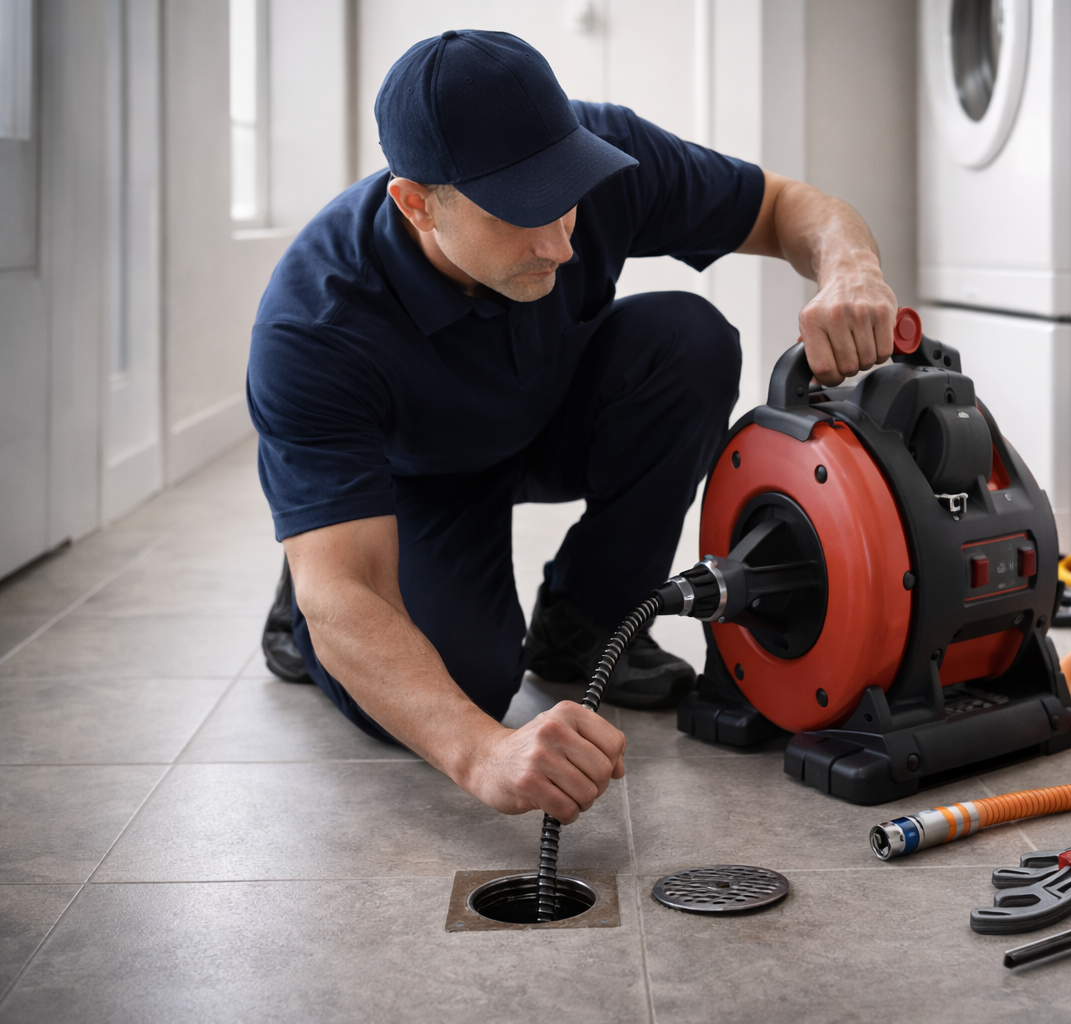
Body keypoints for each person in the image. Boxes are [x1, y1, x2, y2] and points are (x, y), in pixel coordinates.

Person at [248, 30, 897, 825]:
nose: (561, 239)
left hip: (548, 407)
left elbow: (787, 207)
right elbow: (348, 596)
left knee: (688, 339)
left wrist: (851, 268)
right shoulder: (314, 327)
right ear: (418, 202)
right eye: (521, 214)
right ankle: (302, 589)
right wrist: (485, 754)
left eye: (565, 194)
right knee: (464, 688)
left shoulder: (605, 153)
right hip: (419, 478)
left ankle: (586, 624)